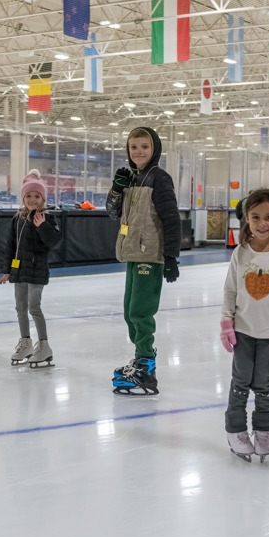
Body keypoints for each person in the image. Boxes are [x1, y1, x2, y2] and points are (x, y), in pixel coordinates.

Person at [219, 188, 269, 462]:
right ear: (247, 218)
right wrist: (226, 323)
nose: (262, 223)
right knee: (240, 382)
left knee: (265, 384)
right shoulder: (241, 252)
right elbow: (230, 290)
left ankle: (263, 431)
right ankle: (236, 430)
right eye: (255, 217)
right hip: (242, 330)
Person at [106, 126, 181, 395]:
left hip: (151, 254)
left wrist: (171, 256)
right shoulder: (131, 178)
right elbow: (113, 213)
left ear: (154, 150)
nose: (139, 152)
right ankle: (141, 359)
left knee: (140, 311)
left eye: (144, 147)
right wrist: (116, 188)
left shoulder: (160, 179)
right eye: (134, 147)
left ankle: (146, 366)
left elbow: (171, 218)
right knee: (129, 311)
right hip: (132, 253)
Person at [0, 170, 62, 368]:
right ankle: (25, 342)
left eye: (37, 196)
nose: (32, 200)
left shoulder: (47, 218)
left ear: (43, 198)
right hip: (19, 271)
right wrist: (7, 269)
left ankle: (44, 346)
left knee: (34, 307)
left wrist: (43, 226)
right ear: (23, 197)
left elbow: (55, 242)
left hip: (37, 271)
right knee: (20, 307)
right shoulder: (17, 218)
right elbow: (10, 244)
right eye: (28, 196)